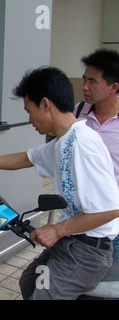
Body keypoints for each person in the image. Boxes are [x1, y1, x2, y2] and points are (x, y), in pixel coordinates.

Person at [0, 67, 119, 300]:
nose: (29, 119)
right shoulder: (64, 141)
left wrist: (57, 229)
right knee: (30, 279)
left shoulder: (83, 145)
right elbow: (28, 158)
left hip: (87, 252)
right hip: (73, 243)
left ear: (45, 105)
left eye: (29, 110)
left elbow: (110, 209)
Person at [75, 48, 119, 262]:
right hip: (81, 217)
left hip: (114, 217)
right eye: (84, 80)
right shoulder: (77, 112)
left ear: (114, 87)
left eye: (93, 82)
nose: (85, 87)